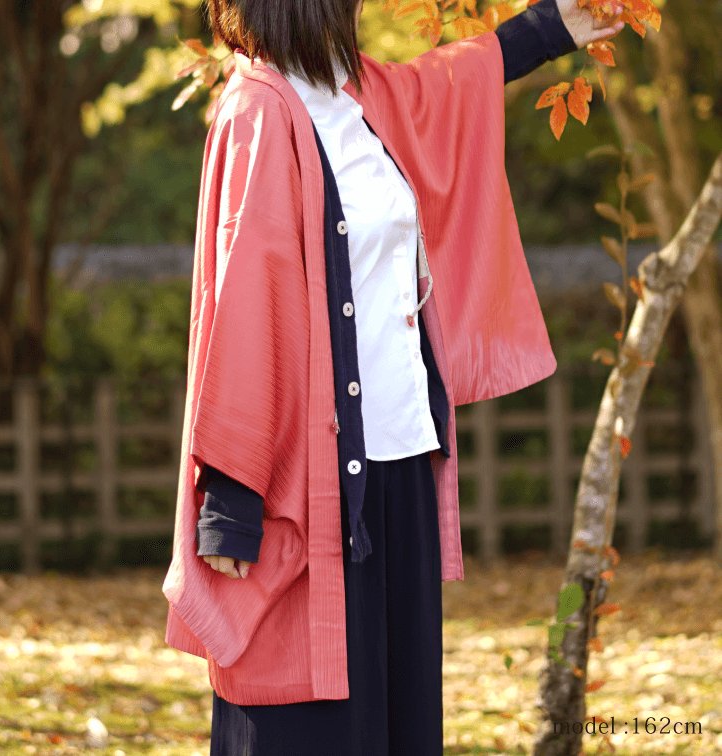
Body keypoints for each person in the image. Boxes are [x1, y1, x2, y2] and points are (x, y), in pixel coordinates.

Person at [162, 1, 625, 754]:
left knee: (399, 717)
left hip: (402, 462)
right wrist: (233, 500)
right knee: (311, 718)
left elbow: (446, 86)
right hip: (312, 486)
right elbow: (245, 299)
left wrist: (549, 29)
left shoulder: (359, 93)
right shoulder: (258, 109)